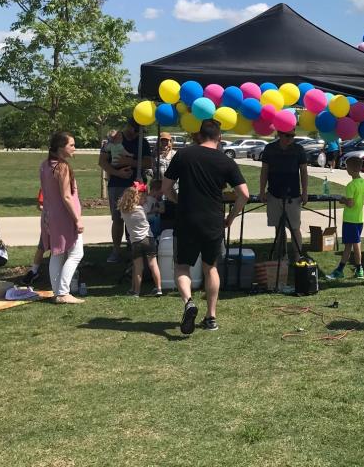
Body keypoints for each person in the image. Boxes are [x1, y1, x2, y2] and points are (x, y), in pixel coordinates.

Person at [163, 119, 249, 334]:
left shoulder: (183, 155)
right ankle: (211, 317)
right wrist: (231, 217)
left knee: (182, 266)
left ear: (200, 135)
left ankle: (189, 302)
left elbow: (166, 188)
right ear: (219, 137)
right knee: (210, 267)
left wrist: (177, 201)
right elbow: (244, 194)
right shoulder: (226, 161)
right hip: (213, 220)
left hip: (187, 218)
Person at [39, 133, 85, 303]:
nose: (74, 148)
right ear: (60, 147)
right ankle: (63, 293)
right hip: (64, 216)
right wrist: (77, 219)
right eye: (71, 145)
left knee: (57, 254)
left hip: (50, 214)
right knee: (76, 253)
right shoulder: (62, 167)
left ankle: (58, 292)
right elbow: (66, 197)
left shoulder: (45, 165)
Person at [99, 117, 152, 263]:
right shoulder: (114, 139)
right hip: (117, 184)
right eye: (135, 129)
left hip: (136, 185)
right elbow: (102, 161)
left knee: (136, 217)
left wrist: (131, 162)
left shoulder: (143, 142)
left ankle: (134, 248)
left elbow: (149, 163)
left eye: (139, 131)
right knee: (117, 219)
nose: (136, 134)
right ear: (128, 126)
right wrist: (118, 173)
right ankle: (116, 250)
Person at [259, 129, 309, 256]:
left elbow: (304, 171)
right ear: (280, 134)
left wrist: (305, 192)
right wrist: (262, 191)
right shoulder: (269, 148)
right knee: (278, 227)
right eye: (288, 135)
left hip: (293, 196)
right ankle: (282, 256)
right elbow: (264, 170)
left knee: (295, 228)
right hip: (274, 194)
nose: (291, 138)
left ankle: (298, 257)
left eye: (293, 135)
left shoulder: (299, 149)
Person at [117, 181, 163, 297]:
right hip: (148, 238)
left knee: (138, 268)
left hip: (136, 242)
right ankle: (158, 288)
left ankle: (136, 291)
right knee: (153, 264)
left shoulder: (124, 211)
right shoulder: (142, 209)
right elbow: (150, 202)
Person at [328, 156, 364, 280]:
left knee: (355, 244)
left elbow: (350, 203)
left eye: (347, 167)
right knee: (349, 245)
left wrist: (342, 199)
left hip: (351, 219)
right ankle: (340, 269)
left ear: (350, 169)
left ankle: (359, 268)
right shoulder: (363, 182)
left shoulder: (351, 185)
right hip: (359, 218)